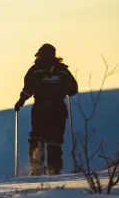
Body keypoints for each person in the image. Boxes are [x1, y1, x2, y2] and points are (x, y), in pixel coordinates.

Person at [14, 44, 78, 176]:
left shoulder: (36, 70)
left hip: (40, 108)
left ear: (40, 54)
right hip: (58, 108)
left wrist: (21, 102)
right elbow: (73, 89)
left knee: (37, 136)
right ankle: (54, 169)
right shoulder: (63, 70)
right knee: (55, 139)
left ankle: (37, 167)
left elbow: (28, 88)